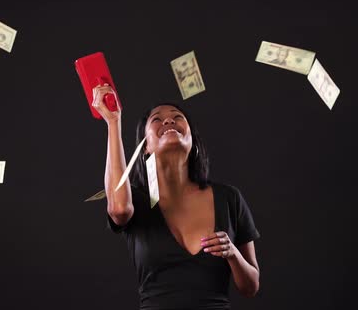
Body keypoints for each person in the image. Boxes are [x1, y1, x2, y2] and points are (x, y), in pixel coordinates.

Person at [93, 84, 261, 310]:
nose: (169, 121)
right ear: (145, 148)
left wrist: (232, 253)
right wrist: (113, 122)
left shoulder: (229, 198)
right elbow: (119, 209)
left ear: (193, 141)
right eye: (157, 120)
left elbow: (250, 287)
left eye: (177, 117)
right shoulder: (137, 201)